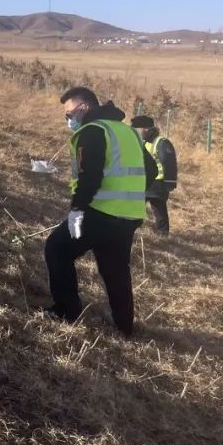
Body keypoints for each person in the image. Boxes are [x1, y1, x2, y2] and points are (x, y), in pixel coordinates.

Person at [43, 87, 158, 336]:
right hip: (129, 215)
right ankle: (124, 325)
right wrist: (130, 193)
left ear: (84, 107)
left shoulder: (92, 132)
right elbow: (150, 170)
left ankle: (66, 311)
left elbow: (89, 177)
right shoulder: (127, 132)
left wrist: (77, 211)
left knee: (57, 249)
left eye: (69, 113)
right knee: (116, 270)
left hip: (98, 212)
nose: (69, 119)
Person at [131, 115, 178, 234]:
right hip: (144, 181)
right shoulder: (142, 141)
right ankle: (136, 230)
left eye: (137, 129)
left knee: (158, 210)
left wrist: (170, 183)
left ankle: (162, 234)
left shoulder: (161, 142)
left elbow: (169, 163)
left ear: (146, 129)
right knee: (139, 208)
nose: (136, 132)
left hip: (157, 183)